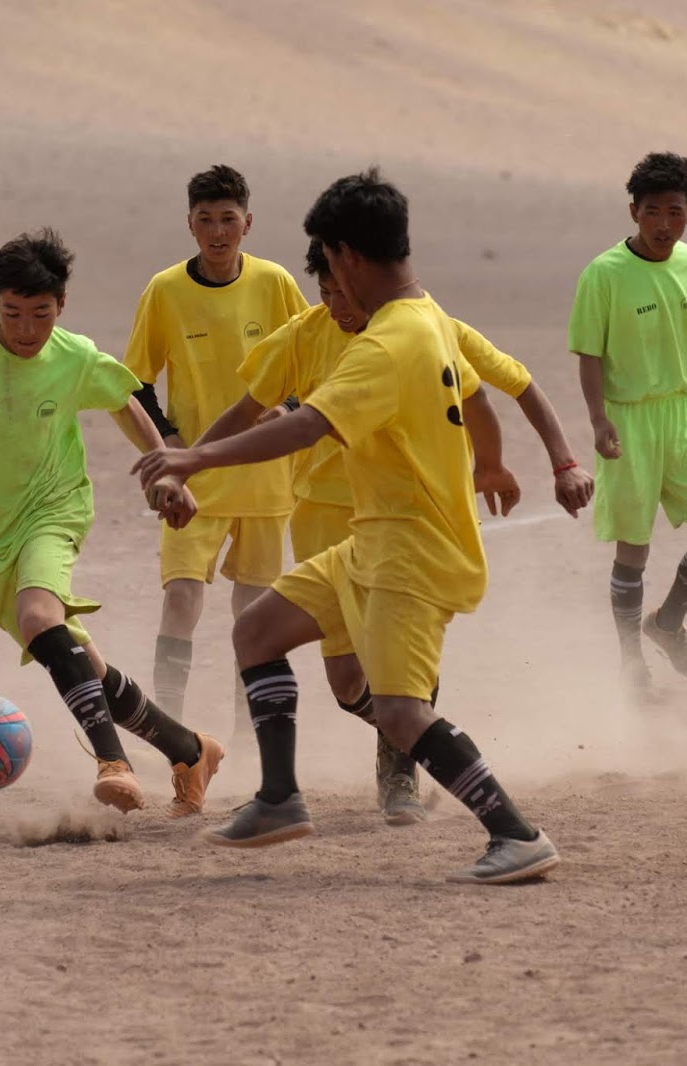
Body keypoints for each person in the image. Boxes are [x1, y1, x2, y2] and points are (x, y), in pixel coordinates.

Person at [135, 169, 560, 884]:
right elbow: (269, 406)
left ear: (347, 257)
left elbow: (306, 425)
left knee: (398, 713)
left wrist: (195, 454)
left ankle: (515, 833)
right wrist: (194, 462)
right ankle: (278, 798)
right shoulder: (422, 318)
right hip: (374, 537)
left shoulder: (389, 344)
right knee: (257, 632)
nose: (326, 282)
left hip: (412, 550)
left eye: (328, 265)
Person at [194, 236, 592, 824]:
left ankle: (402, 776)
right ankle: (384, 755)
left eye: (341, 289)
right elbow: (250, 411)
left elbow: (500, 388)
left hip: (402, 525)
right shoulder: (304, 335)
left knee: (395, 680)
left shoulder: (418, 331)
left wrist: (522, 462)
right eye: (324, 292)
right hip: (322, 520)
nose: (337, 304)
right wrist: (189, 468)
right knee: (344, 678)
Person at [0, 228, 223, 814]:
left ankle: (114, 763)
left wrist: (165, 471)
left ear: (62, 306)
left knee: (39, 617)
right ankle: (189, 749)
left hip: (54, 508)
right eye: (13, 313)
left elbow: (124, 400)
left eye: (42, 314)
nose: (28, 329)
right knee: (70, 653)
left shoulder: (72, 354)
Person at [122, 164, 309, 737]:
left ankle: (249, 735)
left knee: (254, 615)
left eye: (228, 219)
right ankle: (170, 732)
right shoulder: (166, 290)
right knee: (181, 599)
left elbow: (317, 357)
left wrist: (291, 409)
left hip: (266, 478)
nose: (218, 231)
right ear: (190, 226)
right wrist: (168, 448)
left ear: (247, 224)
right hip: (193, 481)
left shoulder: (275, 283)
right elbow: (131, 383)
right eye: (206, 220)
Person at [568, 152, 687, 694]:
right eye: (652, 212)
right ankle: (630, 661)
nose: (663, 224)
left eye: (674, 211)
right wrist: (598, 419)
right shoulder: (603, 274)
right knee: (634, 547)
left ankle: (667, 622)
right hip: (630, 418)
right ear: (633, 213)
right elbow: (589, 354)